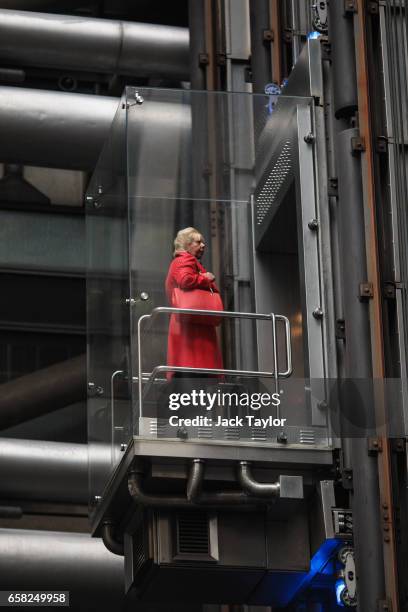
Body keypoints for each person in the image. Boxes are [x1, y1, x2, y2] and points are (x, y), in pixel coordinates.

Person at [165, 227, 223, 378]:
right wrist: (206, 278)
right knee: (198, 367)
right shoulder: (186, 259)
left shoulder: (180, 260)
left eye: (203, 242)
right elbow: (185, 280)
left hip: (189, 320)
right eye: (198, 242)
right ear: (187, 245)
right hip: (192, 324)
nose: (203, 245)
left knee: (189, 365)